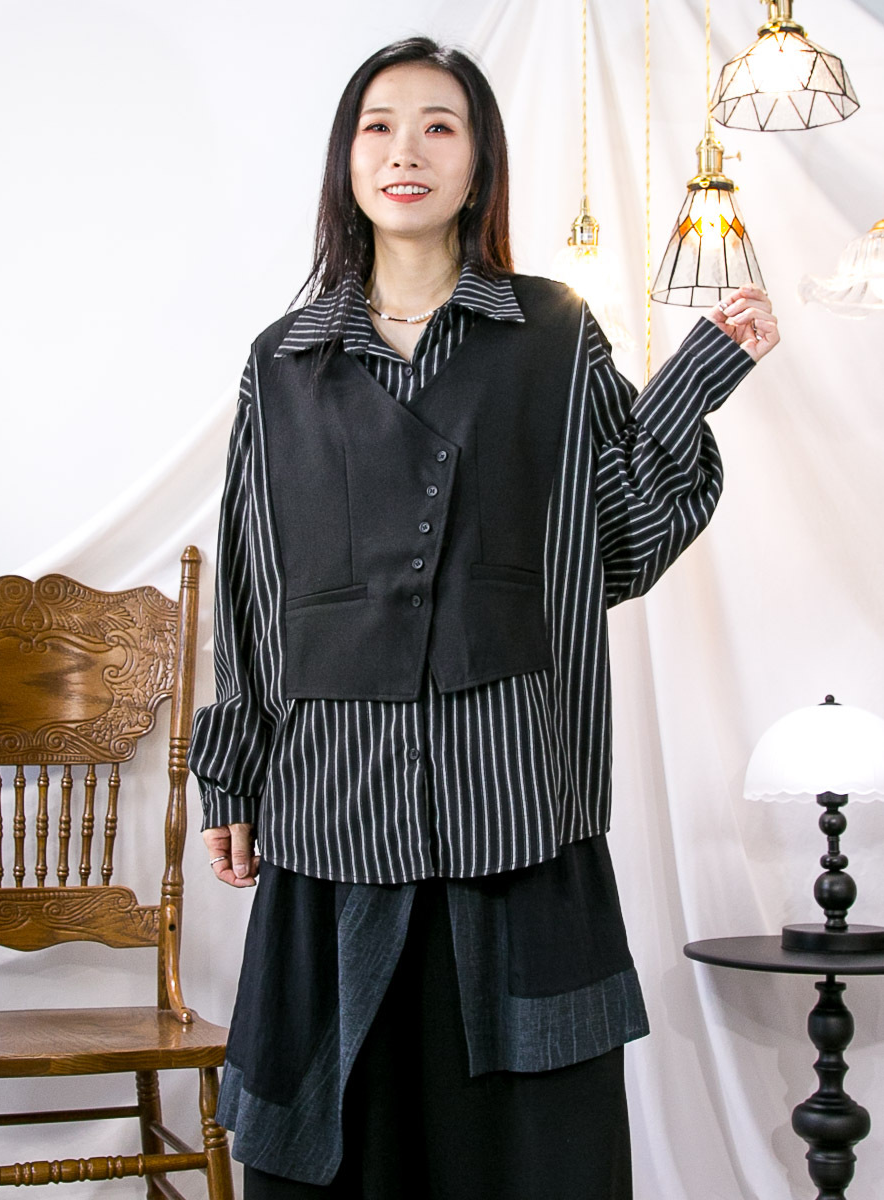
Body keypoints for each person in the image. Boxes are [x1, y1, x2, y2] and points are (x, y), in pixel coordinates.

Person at [188, 36, 779, 1200]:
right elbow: (253, 585)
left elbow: (613, 547)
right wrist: (232, 777)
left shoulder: (552, 333)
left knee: (527, 1155)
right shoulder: (283, 363)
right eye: (378, 126)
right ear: (346, 159)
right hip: (335, 796)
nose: (405, 150)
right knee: (340, 1139)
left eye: (439, 125)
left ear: (478, 162)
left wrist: (693, 382)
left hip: (511, 793)